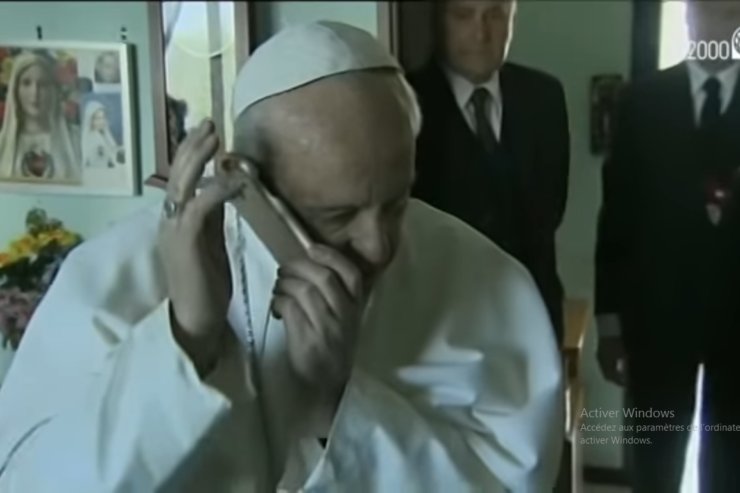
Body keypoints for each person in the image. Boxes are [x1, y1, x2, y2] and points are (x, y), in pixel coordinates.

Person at [0, 21, 563, 492]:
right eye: (338, 215)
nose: (379, 245)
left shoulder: (484, 278)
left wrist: (340, 404)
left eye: (395, 202)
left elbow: (513, 481)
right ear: (247, 184)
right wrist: (186, 338)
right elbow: (33, 481)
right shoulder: (118, 272)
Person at [595, 1, 740, 491]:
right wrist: (610, 325)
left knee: (731, 467)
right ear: (689, 17)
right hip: (656, 321)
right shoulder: (642, 102)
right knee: (653, 465)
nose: (719, 26)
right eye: (709, 12)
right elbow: (617, 219)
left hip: (737, 326)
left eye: (731, 14)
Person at [407, 0, 570, 343]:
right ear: (438, 21)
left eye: (495, 15)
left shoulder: (545, 96)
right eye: (463, 15)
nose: (481, 33)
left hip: (535, 317)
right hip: (443, 326)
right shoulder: (404, 101)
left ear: (512, 19)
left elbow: (550, 210)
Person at [0, 52, 81, 182]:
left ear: (53, 90)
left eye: (43, 84)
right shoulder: (2, 144)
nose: (35, 92)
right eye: (26, 83)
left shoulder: (75, 140)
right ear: (15, 90)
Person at [81, 100, 123, 168]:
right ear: (91, 120)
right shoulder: (90, 138)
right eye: (98, 118)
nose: (101, 121)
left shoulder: (104, 133)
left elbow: (113, 149)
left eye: (103, 118)